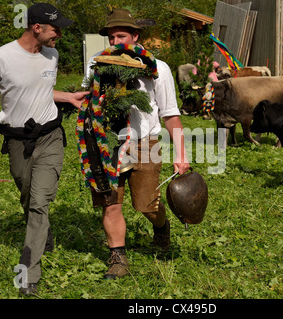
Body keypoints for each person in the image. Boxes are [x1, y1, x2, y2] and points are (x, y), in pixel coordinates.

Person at [0, 3, 88, 296]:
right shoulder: (0, 57)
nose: (59, 35)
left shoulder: (52, 55)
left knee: (39, 201)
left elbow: (42, 90)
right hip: (16, 140)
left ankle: (28, 274)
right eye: (55, 29)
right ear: (37, 28)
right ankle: (41, 229)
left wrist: (68, 97)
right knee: (26, 191)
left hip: (50, 135)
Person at [82, 8, 190, 280]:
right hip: (107, 145)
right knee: (111, 203)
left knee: (146, 205)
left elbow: (170, 114)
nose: (115, 42)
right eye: (111, 37)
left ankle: (162, 227)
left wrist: (181, 153)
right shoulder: (97, 64)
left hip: (145, 143)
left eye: (121, 36)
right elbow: (86, 98)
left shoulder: (157, 68)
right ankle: (118, 258)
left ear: (135, 36)